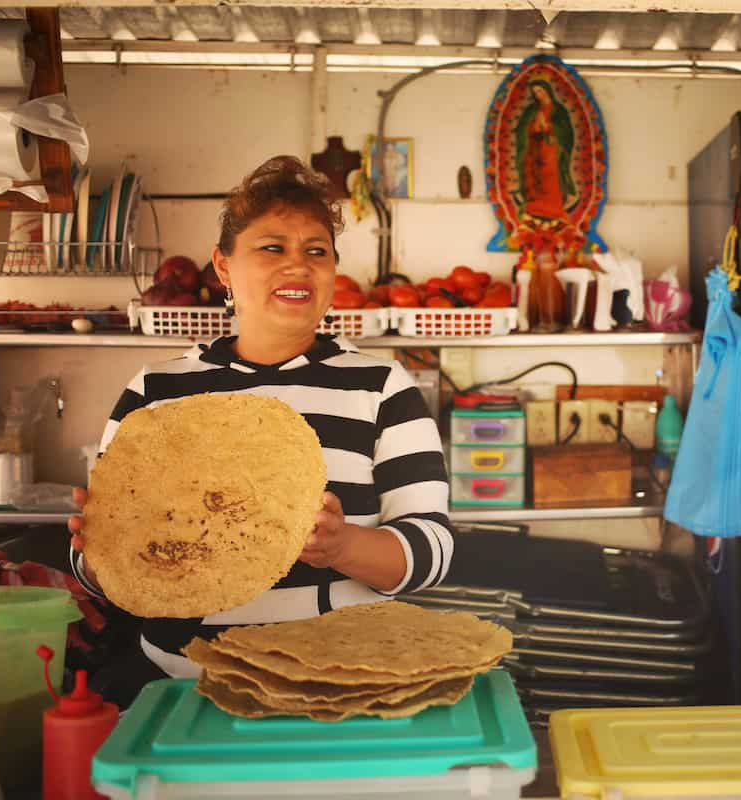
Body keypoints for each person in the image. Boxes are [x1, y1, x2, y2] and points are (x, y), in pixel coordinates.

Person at [68, 156, 453, 705]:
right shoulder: (157, 391)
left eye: (316, 251)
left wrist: (342, 547)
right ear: (223, 267)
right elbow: (109, 565)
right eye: (272, 247)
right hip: (185, 686)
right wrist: (96, 558)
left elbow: (433, 550)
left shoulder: (382, 387)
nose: (297, 266)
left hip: (338, 684)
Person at [515, 79, 575, 222]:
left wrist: (549, 126)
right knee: (536, 177)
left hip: (551, 149)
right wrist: (534, 127)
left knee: (551, 175)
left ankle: (553, 208)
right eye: (535, 93)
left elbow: (567, 132)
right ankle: (535, 206)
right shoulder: (531, 111)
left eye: (540, 91)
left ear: (547, 90)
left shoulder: (559, 111)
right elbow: (521, 130)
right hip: (535, 149)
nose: (538, 95)